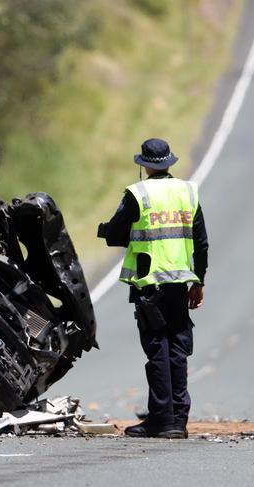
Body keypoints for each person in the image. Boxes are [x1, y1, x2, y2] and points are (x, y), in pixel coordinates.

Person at [97, 138, 208, 439]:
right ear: (169, 163)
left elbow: (117, 233)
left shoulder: (138, 194)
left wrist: (106, 230)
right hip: (180, 285)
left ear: (144, 166)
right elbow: (201, 242)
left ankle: (161, 419)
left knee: (157, 350)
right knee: (177, 351)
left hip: (149, 286)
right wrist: (198, 281)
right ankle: (178, 420)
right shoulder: (188, 191)